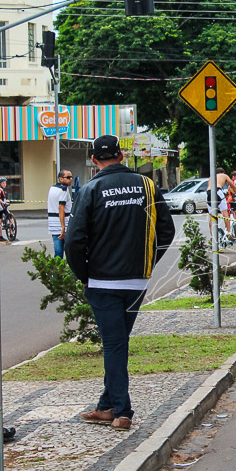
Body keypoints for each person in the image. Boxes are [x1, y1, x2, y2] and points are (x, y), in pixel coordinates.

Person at [66, 135, 175, 431]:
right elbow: (166, 231)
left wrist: (85, 275)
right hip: (135, 283)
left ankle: (122, 411)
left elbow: (74, 242)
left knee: (114, 345)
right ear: (121, 156)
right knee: (118, 342)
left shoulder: (90, 189)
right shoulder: (147, 186)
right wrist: (148, 262)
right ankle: (106, 405)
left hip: (103, 281)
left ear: (94, 161)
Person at [47, 169, 74, 258]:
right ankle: (68, 271)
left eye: (71, 177)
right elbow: (61, 207)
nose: (70, 179)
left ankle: (57, 271)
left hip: (53, 223)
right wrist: (63, 227)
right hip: (63, 223)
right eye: (68, 177)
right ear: (61, 179)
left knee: (58, 251)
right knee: (70, 251)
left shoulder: (52, 188)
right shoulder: (63, 189)